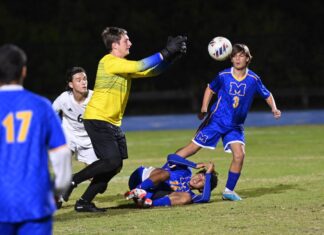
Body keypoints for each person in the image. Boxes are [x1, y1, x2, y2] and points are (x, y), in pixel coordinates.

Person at [62, 26, 187, 212]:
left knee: (114, 166)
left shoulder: (122, 65)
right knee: (111, 161)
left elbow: (150, 72)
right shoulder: (109, 61)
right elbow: (141, 65)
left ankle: (84, 202)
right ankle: (72, 181)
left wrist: (170, 58)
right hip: (97, 118)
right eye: (126, 40)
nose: (130, 43)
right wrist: (166, 51)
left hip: (111, 122)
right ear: (114, 45)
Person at [175, 43, 281, 201]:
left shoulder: (253, 79)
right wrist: (204, 107)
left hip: (235, 126)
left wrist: (274, 108)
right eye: (234, 56)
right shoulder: (223, 75)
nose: (237, 59)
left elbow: (267, 94)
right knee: (192, 149)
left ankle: (229, 191)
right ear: (230, 59)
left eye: (241, 55)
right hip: (216, 121)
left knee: (239, 155)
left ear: (247, 58)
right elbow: (210, 88)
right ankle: (169, 168)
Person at [0, 44, 72, 234]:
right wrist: (54, 191)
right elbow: (62, 156)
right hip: (35, 200)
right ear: (24, 71)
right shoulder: (41, 106)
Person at [124, 154, 218, 208]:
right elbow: (171, 157)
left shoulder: (190, 194)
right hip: (141, 177)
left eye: (203, 181)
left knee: (187, 198)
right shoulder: (185, 171)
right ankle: (138, 190)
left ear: (202, 189)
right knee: (165, 174)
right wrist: (194, 165)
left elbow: (204, 198)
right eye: (201, 175)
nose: (198, 179)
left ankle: (148, 203)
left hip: (149, 195)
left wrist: (208, 173)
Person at [52, 67, 98, 166]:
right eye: (79, 80)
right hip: (69, 136)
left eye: (85, 79)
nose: (83, 82)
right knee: (64, 168)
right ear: (71, 84)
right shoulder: (64, 98)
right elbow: (51, 115)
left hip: (89, 139)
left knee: (93, 175)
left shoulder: (95, 98)